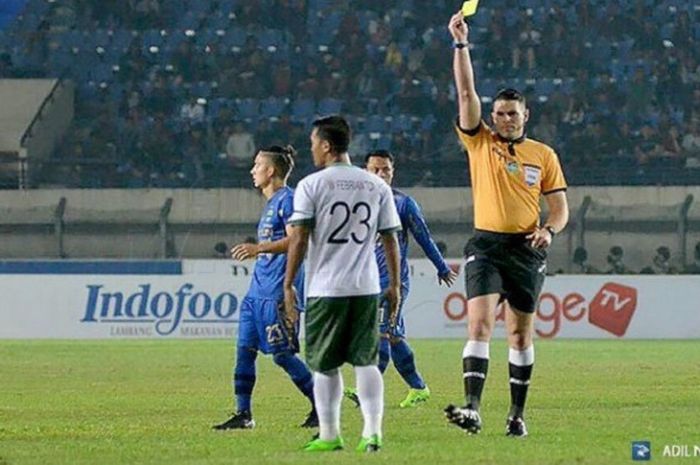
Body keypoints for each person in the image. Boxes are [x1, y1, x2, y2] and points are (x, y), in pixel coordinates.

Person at [444, 12, 569, 438]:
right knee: (478, 324)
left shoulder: (543, 155)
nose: (505, 119)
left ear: (525, 115)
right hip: (486, 245)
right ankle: (472, 408)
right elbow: (465, 92)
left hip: (527, 249)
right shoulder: (480, 141)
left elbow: (560, 209)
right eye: (499, 113)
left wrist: (549, 231)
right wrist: (461, 44)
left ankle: (516, 415)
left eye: (512, 114)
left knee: (519, 335)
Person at [283, 116, 402, 452]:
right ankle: (372, 432)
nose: (311, 149)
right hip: (366, 287)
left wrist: (289, 283)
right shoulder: (375, 185)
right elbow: (391, 238)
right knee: (366, 361)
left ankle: (330, 434)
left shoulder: (311, 185)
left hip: (326, 289)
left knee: (324, 364)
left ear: (326, 145)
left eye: (312, 143)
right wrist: (394, 285)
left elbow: (300, 237)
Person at [213, 145, 317, 430]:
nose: (252, 170)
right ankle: (243, 414)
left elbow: (298, 240)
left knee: (283, 355)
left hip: (276, 294)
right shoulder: (271, 204)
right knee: (244, 350)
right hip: (256, 292)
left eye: (257, 165)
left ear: (270, 171)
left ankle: (321, 405)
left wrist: (259, 249)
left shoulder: (290, 200)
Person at [344, 150, 457, 409]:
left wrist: (441, 267)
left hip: (392, 283)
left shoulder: (404, 204)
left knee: (381, 335)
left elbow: (424, 238)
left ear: (393, 173)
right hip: (365, 282)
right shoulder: (357, 204)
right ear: (366, 171)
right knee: (393, 336)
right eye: (376, 170)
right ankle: (418, 388)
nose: (381, 175)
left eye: (386, 170)